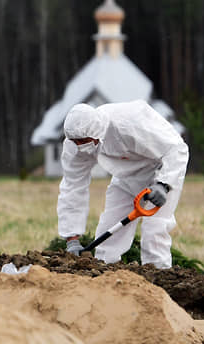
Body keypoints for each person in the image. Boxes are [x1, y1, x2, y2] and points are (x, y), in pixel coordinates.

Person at [58, 101, 189, 269]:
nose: (79, 146)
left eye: (83, 141)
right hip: (126, 176)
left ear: (96, 133)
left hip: (161, 170)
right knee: (108, 234)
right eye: (75, 142)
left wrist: (164, 184)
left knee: (154, 230)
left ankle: (158, 279)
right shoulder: (74, 145)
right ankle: (105, 279)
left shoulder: (129, 124)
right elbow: (72, 187)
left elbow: (177, 149)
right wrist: (72, 239)